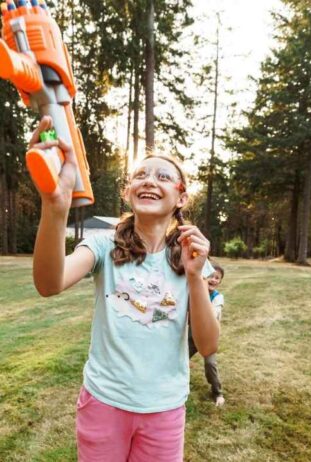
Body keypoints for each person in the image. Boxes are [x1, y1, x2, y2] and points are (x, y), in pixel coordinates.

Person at [30, 116, 219, 462]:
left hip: (164, 409)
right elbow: (49, 283)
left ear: (181, 196)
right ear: (128, 191)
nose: (149, 181)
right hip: (104, 402)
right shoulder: (103, 244)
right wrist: (55, 208)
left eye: (163, 177)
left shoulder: (192, 256)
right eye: (140, 175)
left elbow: (208, 344)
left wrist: (194, 277)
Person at [188, 263, 225, 406]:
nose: (214, 280)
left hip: (208, 336)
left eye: (217, 278)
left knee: (210, 364)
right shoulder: (193, 292)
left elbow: (212, 314)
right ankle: (176, 386)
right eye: (211, 276)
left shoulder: (218, 298)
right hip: (192, 335)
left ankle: (217, 393)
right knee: (178, 359)